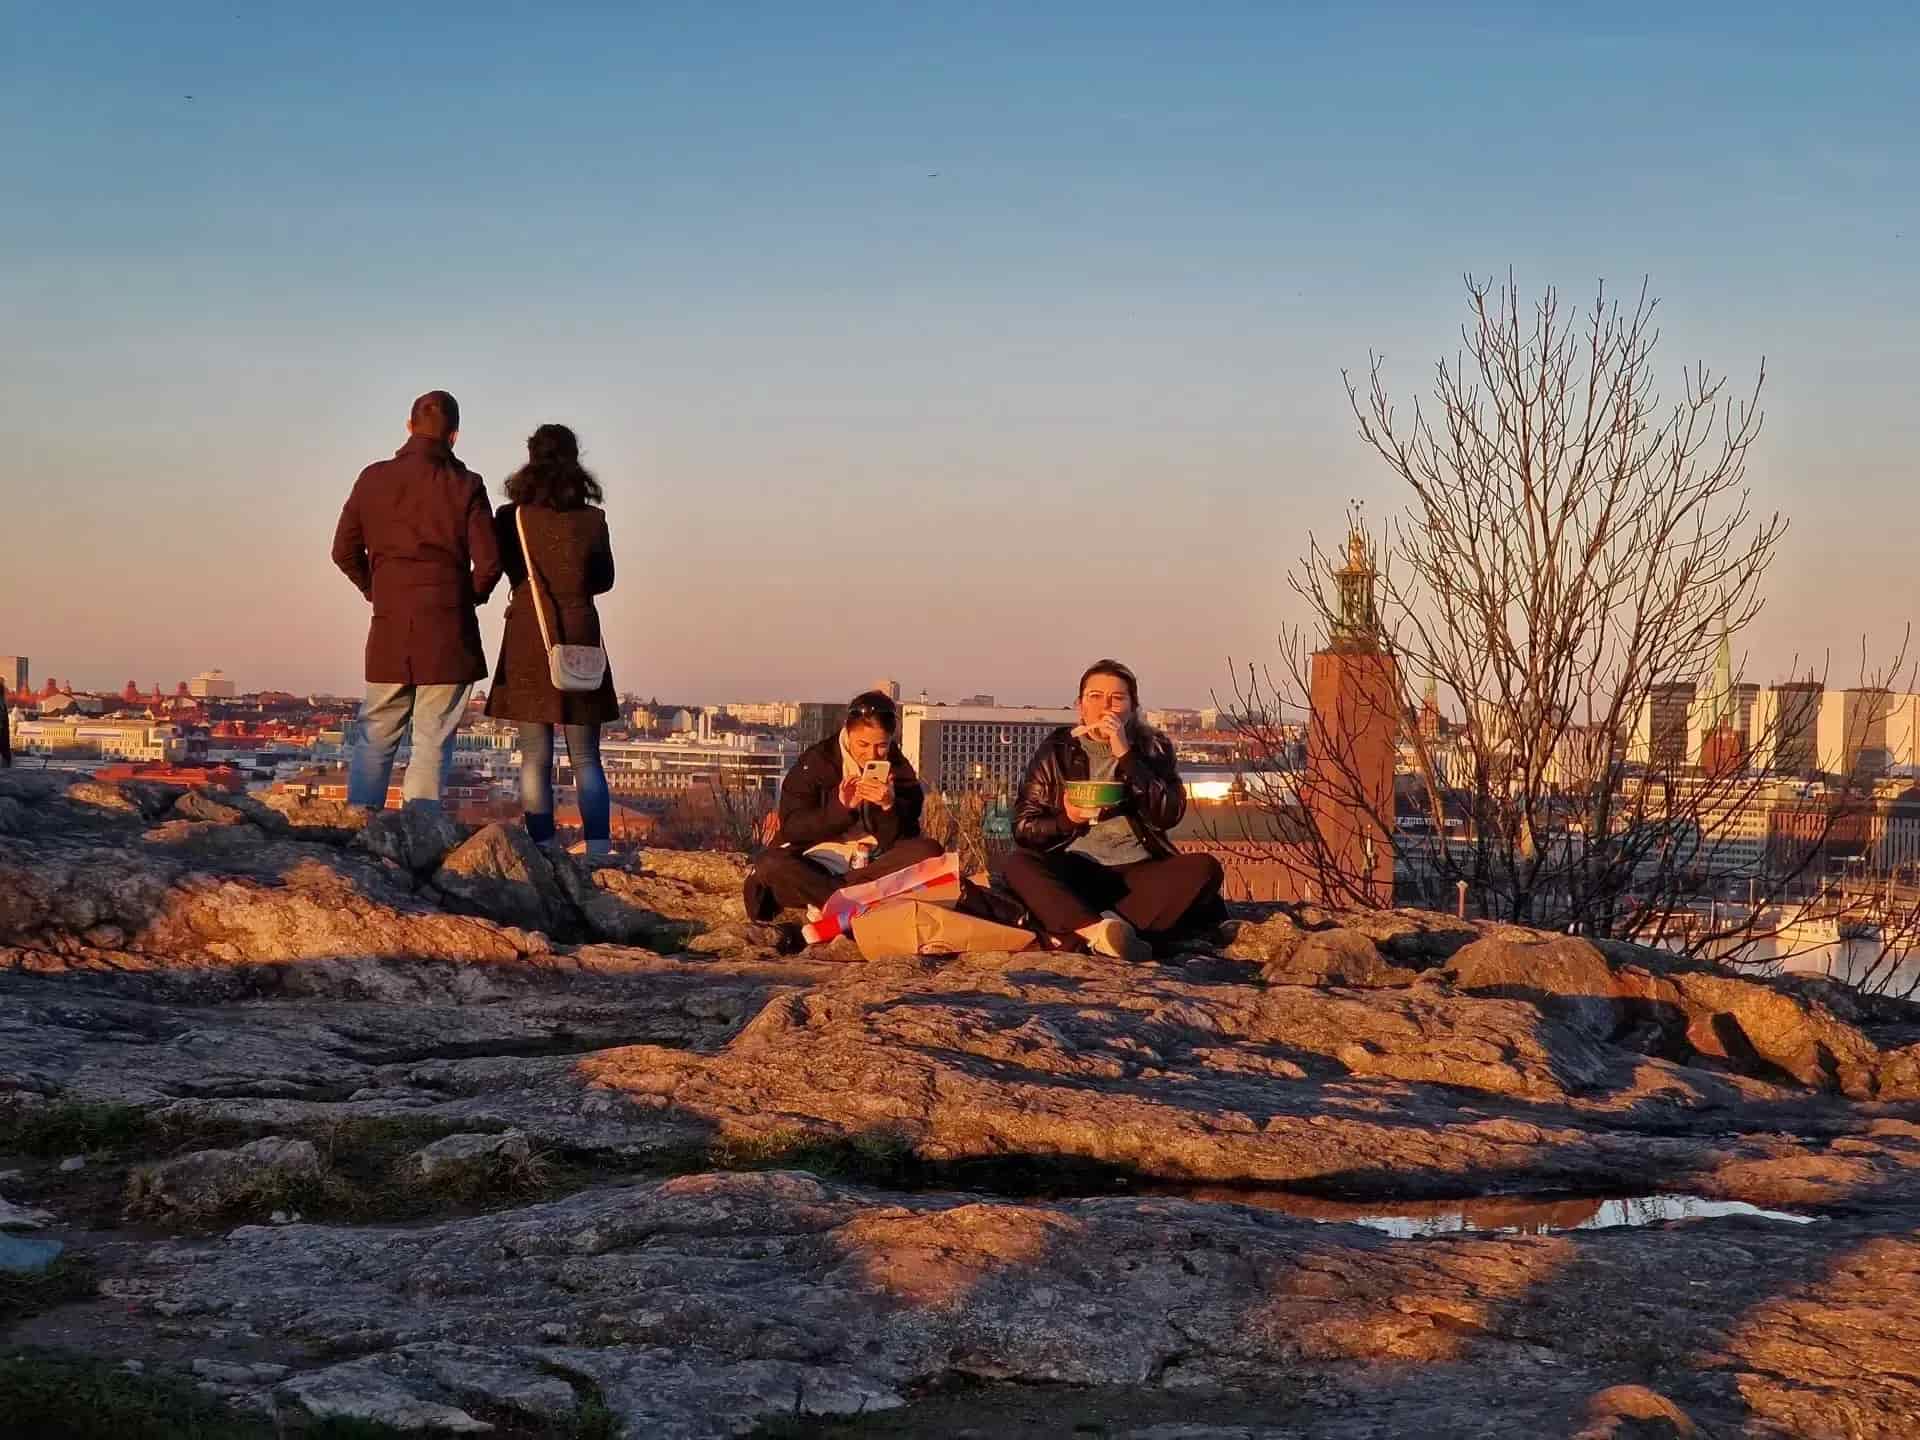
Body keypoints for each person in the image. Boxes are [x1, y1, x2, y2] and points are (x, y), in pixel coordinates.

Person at [332, 390, 502, 811]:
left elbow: (343, 551)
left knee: (376, 736)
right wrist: (470, 598)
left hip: (391, 623)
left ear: (408, 426)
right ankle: (420, 831)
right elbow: (490, 562)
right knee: (432, 740)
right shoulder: (467, 485)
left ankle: (361, 826)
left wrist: (375, 589)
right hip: (448, 628)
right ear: (455, 436)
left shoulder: (373, 478)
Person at [1003, 659, 1225, 960]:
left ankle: (1088, 931)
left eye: (1117, 698)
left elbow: (1167, 813)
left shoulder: (1152, 748)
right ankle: (1100, 934)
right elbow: (1024, 828)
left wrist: (1126, 755)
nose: (1105, 706)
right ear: (1080, 705)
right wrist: (1068, 819)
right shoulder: (1057, 749)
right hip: (1075, 866)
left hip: (1138, 870)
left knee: (1204, 868)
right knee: (1018, 864)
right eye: (1094, 696)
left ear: (1133, 708)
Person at [484, 424, 618, 855]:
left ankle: (542, 846)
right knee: (586, 758)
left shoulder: (512, 519)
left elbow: (504, 566)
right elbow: (604, 579)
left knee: (534, 757)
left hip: (528, 632)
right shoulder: (593, 520)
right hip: (579, 632)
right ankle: (598, 848)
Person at [743, 690, 943, 921]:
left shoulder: (897, 767)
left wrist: (888, 807)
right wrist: (841, 808)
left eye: (881, 746)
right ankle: (854, 901)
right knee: (771, 863)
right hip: (819, 861)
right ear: (847, 731)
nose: (871, 754)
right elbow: (793, 828)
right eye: (863, 744)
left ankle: (830, 899)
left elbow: (904, 836)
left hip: (873, 862)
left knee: (930, 852)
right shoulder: (817, 761)